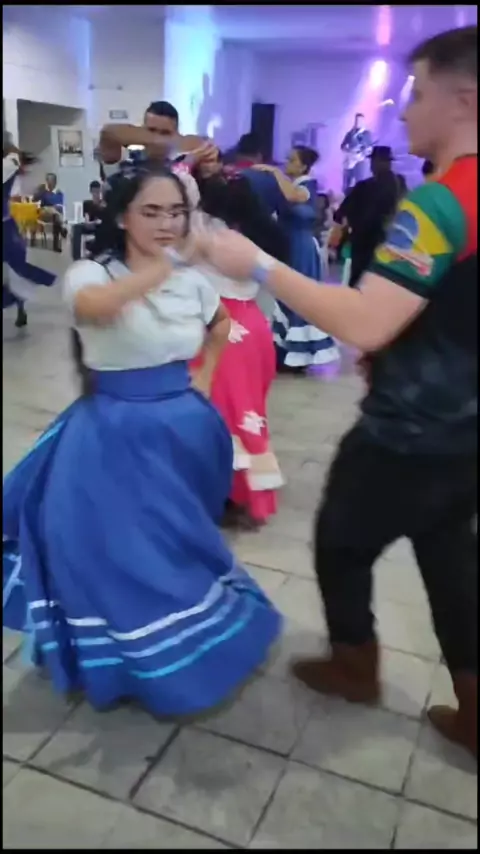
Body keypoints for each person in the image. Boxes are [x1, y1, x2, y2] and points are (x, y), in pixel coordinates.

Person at [197, 25, 478, 759]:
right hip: (465, 432)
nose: (406, 108)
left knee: (340, 542)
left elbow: (364, 320)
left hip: (408, 431)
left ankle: (355, 666)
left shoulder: (442, 204)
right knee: (451, 561)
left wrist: (257, 263)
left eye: (419, 92)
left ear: (464, 100)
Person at [2, 162, 282, 717]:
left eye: (176, 212)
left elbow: (220, 324)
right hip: (112, 433)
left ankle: (181, 651)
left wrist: (204, 380)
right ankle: (124, 662)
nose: (167, 224)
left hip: (183, 431)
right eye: (151, 212)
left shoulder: (193, 283)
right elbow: (96, 309)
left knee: (176, 544)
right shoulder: (91, 272)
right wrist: (171, 263)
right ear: (122, 217)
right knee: (117, 553)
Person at [190, 157, 283, 529]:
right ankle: (242, 492)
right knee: (247, 413)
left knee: (218, 413)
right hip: (252, 328)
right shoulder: (261, 232)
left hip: (218, 327)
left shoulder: (203, 232)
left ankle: (218, 492)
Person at [269, 146, 339, 373]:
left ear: (303, 166)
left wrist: (274, 172)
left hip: (301, 248)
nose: (286, 163)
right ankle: (285, 354)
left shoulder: (306, 186)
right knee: (285, 297)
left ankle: (298, 356)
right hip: (290, 246)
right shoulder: (295, 184)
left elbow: (292, 196)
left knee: (297, 298)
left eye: (291, 160)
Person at [333, 146, 407, 288]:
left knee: (359, 280)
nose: (372, 165)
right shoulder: (399, 186)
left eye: (374, 161)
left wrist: (348, 226)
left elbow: (343, 212)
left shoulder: (368, 186)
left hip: (366, 241)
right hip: (387, 242)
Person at [3, 137, 56, 328]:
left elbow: (14, 158)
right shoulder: (10, 165)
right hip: (7, 225)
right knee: (16, 270)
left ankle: (20, 306)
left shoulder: (8, 166)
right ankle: (20, 305)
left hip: (6, 227)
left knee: (17, 270)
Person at [99, 100, 216, 180]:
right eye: (152, 130)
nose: (157, 140)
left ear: (176, 134)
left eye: (165, 133)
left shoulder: (187, 164)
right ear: (142, 129)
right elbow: (108, 131)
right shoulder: (129, 164)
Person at [70, 181, 106, 262]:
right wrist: (91, 223)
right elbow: (87, 219)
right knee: (77, 227)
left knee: (103, 227)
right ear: (91, 192)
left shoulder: (103, 204)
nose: (96, 194)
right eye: (94, 191)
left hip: (102, 226)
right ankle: (76, 257)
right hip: (92, 224)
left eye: (97, 191)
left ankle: (96, 250)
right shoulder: (87, 204)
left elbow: (106, 218)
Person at [33, 172, 67, 253]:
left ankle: (56, 246)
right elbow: (34, 200)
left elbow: (59, 205)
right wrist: (40, 191)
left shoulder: (59, 193)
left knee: (56, 217)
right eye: (48, 180)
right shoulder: (43, 191)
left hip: (55, 215)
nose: (49, 183)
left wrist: (54, 207)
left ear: (55, 182)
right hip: (44, 214)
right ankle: (62, 229)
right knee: (53, 212)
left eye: (51, 181)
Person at [340, 112, 373, 193]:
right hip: (350, 160)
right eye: (357, 121)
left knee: (360, 179)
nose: (358, 122)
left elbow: (370, 147)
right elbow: (342, 146)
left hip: (361, 159)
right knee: (348, 180)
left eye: (360, 121)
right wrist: (349, 151)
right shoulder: (350, 133)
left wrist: (364, 150)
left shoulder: (367, 134)